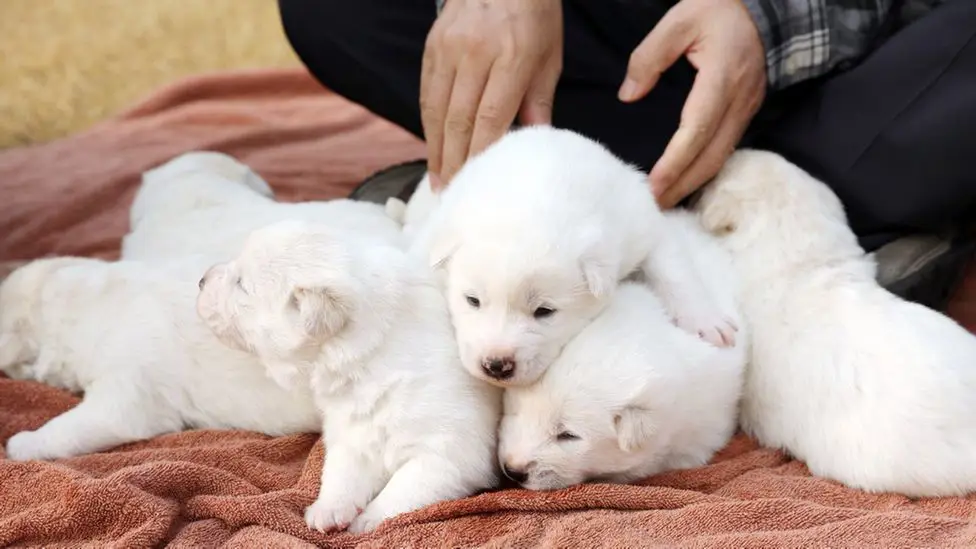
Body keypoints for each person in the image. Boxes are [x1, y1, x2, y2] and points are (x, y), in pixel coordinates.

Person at [277, 0, 975, 311]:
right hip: (636, 47)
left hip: (873, 52)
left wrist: (764, 23)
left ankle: (543, 186)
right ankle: (796, 224)